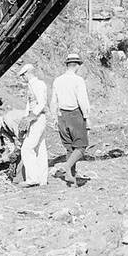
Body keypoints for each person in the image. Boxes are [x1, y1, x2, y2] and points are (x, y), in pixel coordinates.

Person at [49, 52, 91, 185]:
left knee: (69, 148)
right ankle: (67, 167)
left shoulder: (58, 80)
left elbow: (53, 101)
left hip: (62, 115)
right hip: (75, 114)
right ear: (77, 65)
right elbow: (82, 100)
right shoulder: (78, 80)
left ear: (67, 65)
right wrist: (87, 117)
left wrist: (55, 117)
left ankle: (70, 175)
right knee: (81, 146)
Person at [17, 63, 49, 187]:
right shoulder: (31, 85)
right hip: (35, 119)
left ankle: (32, 178)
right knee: (40, 148)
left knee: (27, 148)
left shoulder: (38, 84)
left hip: (37, 119)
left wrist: (31, 116)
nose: (22, 78)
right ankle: (42, 179)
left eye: (23, 75)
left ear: (28, 73)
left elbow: (41, 103)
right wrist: (26, 117)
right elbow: (28, 104)